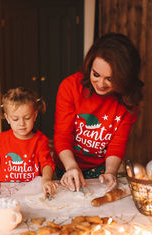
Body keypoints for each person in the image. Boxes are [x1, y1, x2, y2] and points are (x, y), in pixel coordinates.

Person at [53, 33, 143, 192]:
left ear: (124, 79)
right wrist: (71, 166)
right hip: (67, 166)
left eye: (110, 79)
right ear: (89, 67)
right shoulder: (70, 87)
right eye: (96, 74)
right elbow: (62, 135)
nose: (101, 84)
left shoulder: (128, 100)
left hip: (100, 170)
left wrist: (110, 172)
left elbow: (117, 144)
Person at [0, 87, 58, 196]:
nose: (21, 123)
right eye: (15, 119)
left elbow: (47, 164)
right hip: (6, 192)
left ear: (35, 115)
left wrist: (46, 179)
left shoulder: (40, 140)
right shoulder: (2, 139)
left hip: (31, 192)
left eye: (27, 118)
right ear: (7, 118)